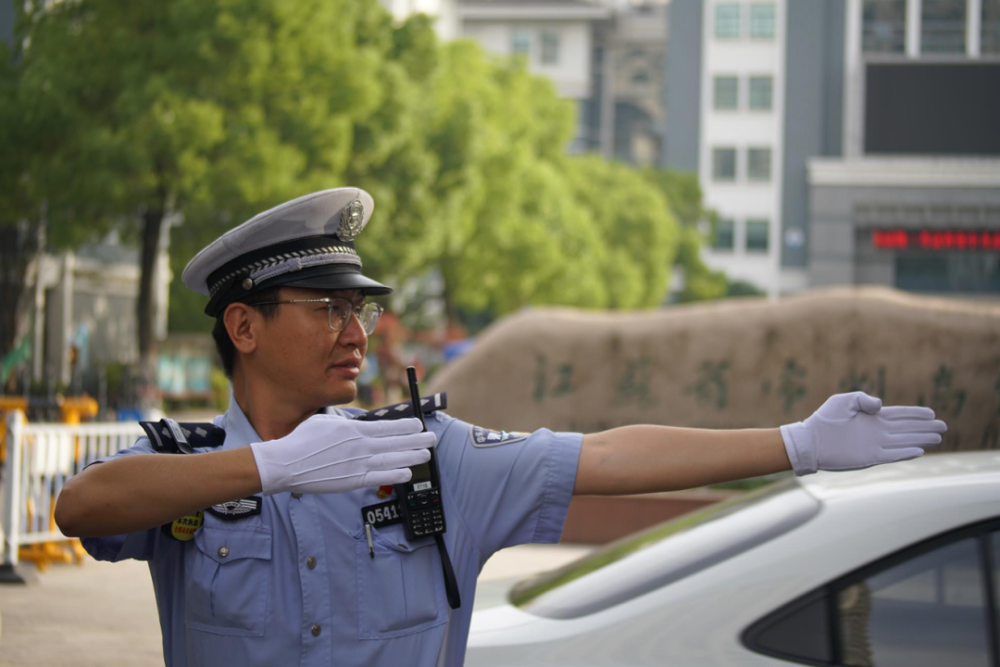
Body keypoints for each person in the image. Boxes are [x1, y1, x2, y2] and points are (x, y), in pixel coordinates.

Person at [54, 188, 947, 667]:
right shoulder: (186, 469)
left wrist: (795, 443)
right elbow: (82, 506)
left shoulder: (422, 456)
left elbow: (605, 455)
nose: (356, 332)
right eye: (326, 308)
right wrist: (270, 468)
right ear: (243, 327)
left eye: (361, 308)